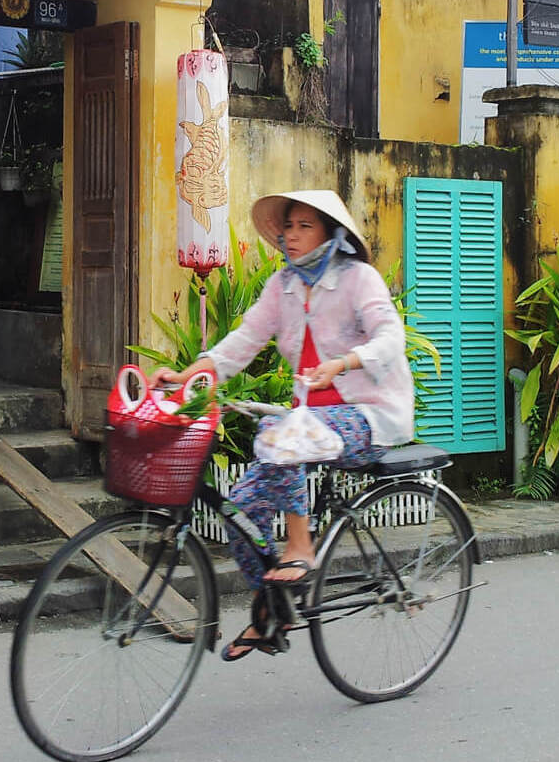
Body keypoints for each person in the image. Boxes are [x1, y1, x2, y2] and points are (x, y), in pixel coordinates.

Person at [155, 190, 415, 661]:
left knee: (287, 434)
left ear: (331, 234)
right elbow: (245, 339)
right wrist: (191, 374)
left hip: (369, 414)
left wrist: (343, 363)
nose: (290, 236)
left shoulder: (360, 280)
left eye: (303, 227)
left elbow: (390, 337)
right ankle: (269, 611)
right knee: (238, 513)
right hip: (309, 419)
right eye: (287, 228)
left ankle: (301, 545)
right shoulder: (284, 287)